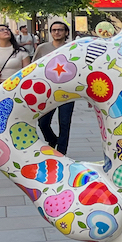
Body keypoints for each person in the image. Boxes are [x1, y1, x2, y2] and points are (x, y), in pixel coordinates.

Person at [33, 21, 75, 155]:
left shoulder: (72, 48)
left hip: (68, 91)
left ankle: (61, 152)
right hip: (47, 91)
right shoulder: (42, 48)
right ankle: (52, 139)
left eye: (60, 30)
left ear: (66, 32)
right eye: (54, 30)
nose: (57, 32)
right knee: (43, 122)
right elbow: (34, 68)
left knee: (64, 123)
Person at [0, 26, 30, 92]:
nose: (5, 31)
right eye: (1, 30)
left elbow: (28, 72)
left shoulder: (21, 51)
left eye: (7, 29)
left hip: (16, 86)